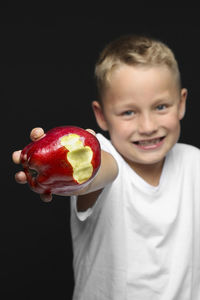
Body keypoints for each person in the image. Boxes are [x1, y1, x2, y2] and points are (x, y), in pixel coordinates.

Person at [12, 35, 200, 299]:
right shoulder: (104, 154)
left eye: (160, 106)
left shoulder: (194, 163)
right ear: (101, 115)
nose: (147, 126)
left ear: (181, 103)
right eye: (128, 112)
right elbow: (100, 172)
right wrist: (56, 163)